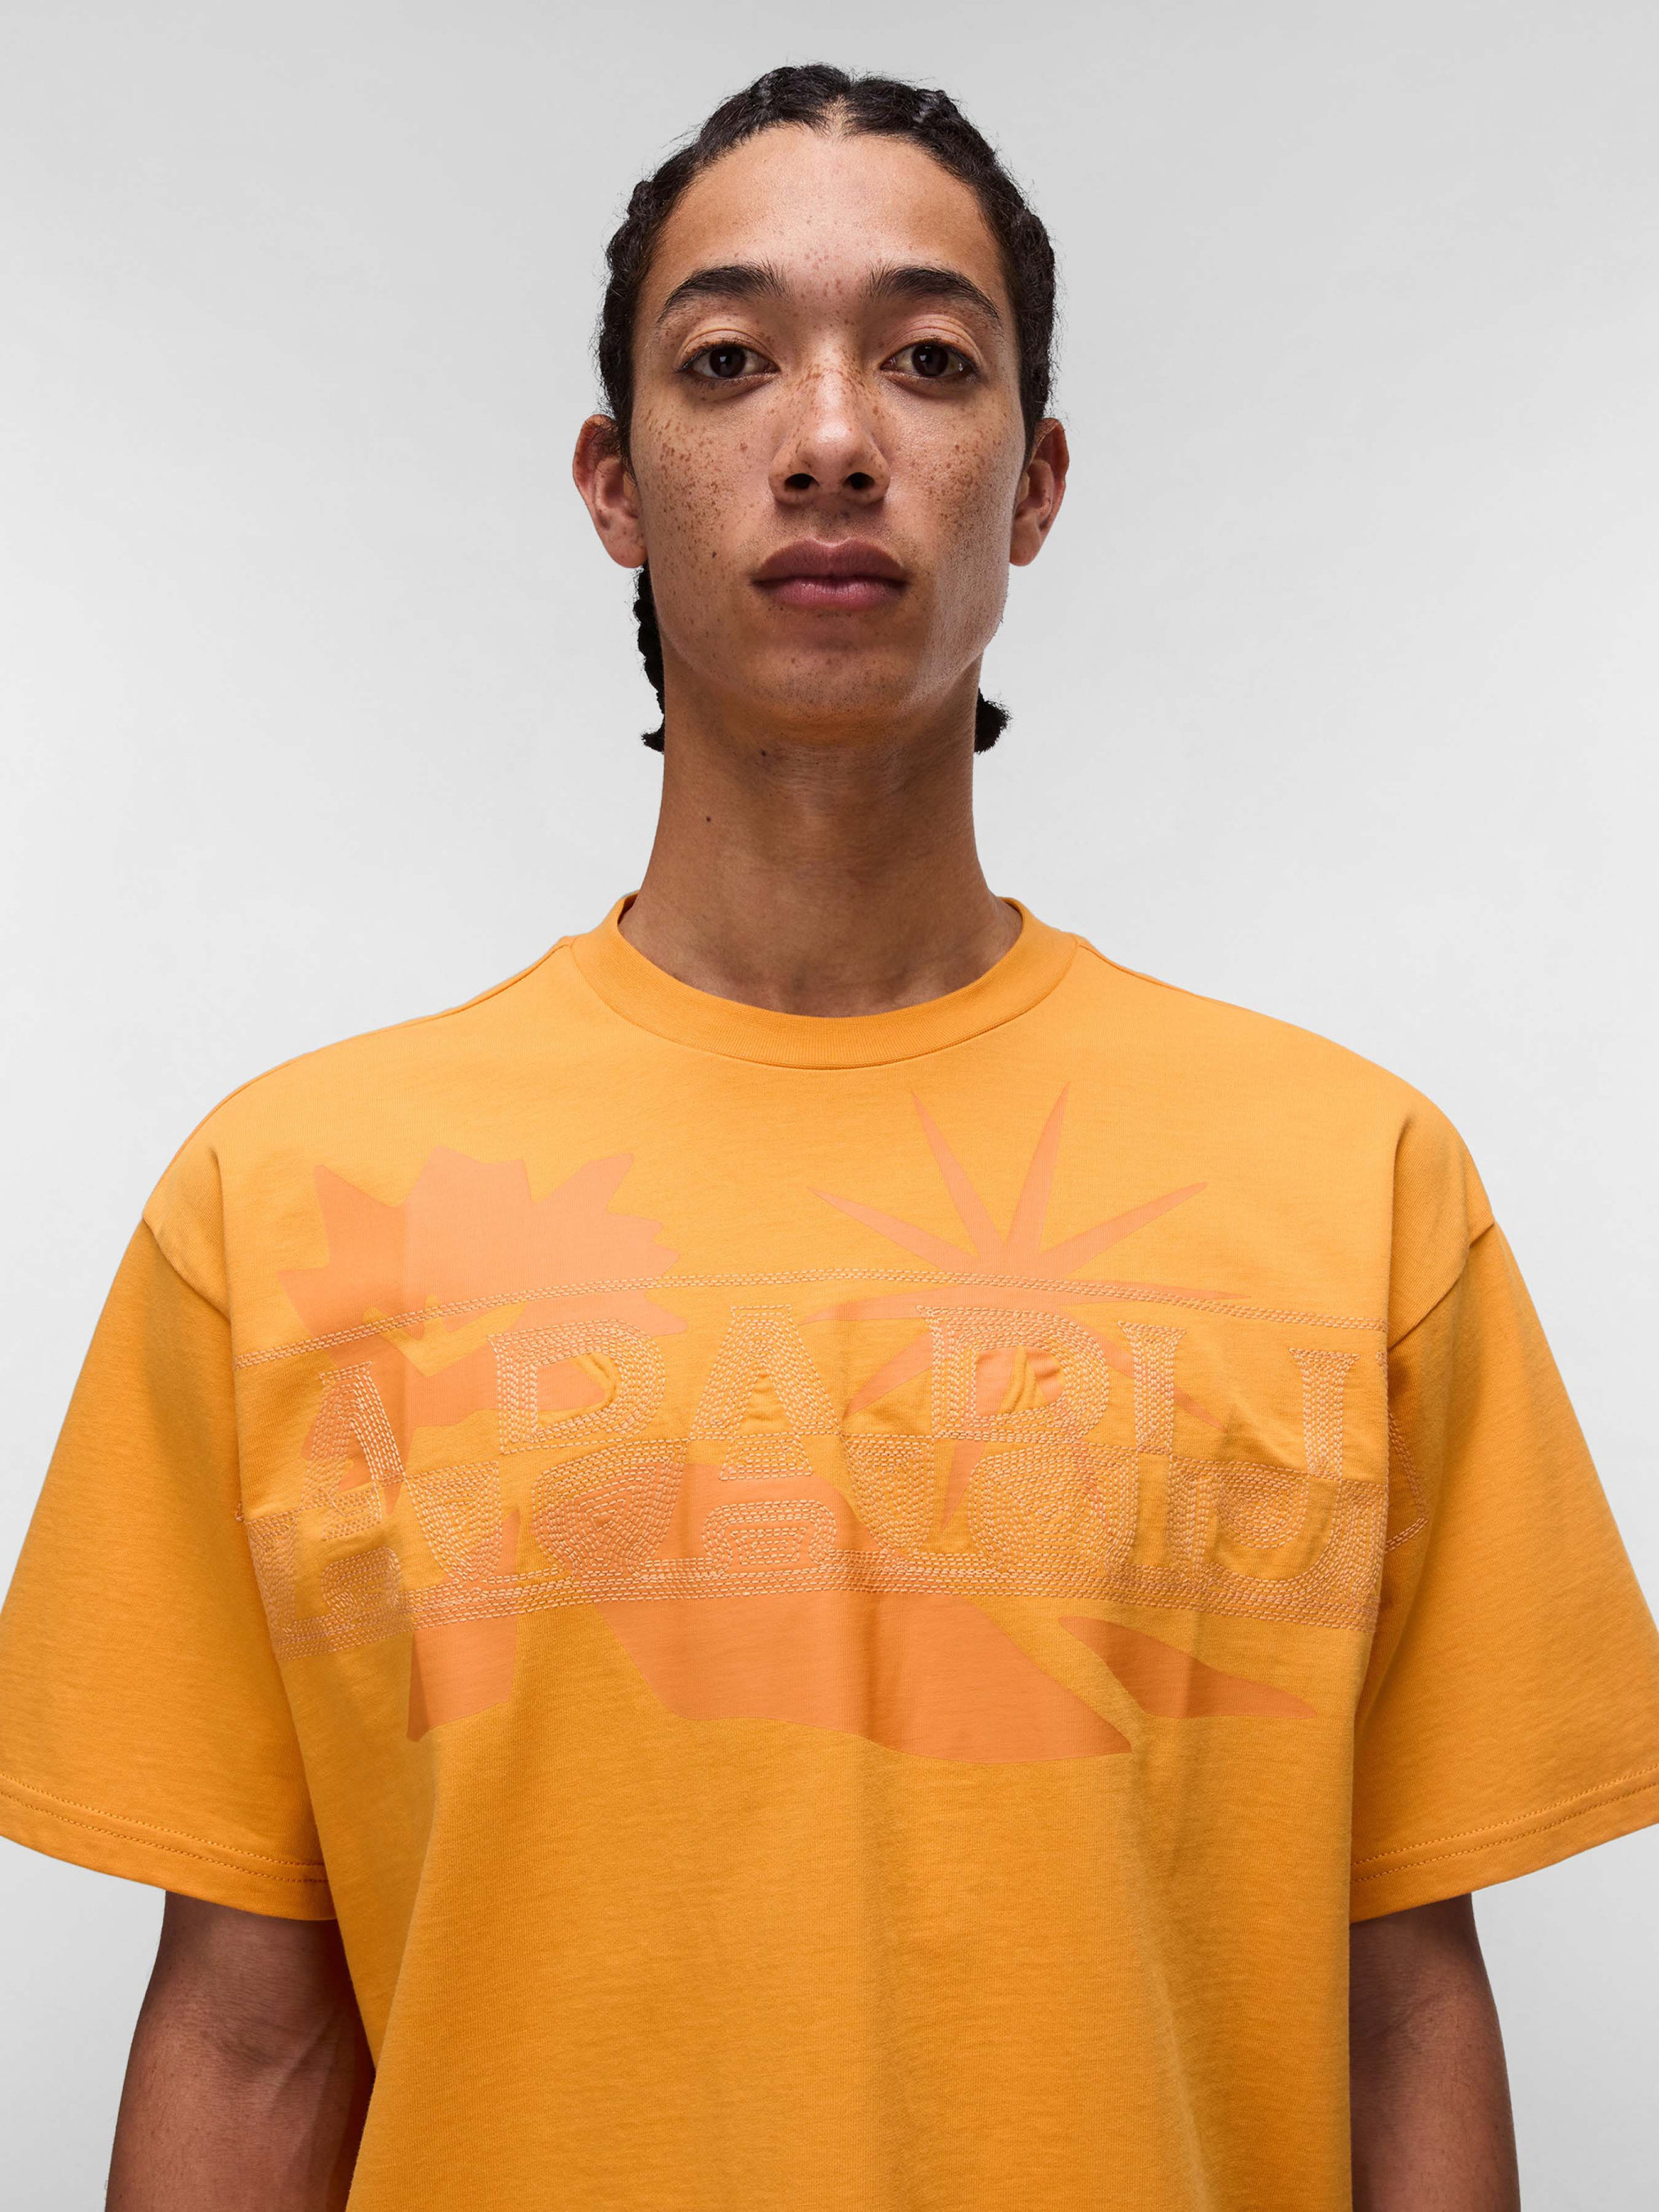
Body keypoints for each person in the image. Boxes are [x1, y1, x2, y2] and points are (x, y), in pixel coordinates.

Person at [2, 61, 1656, 2212]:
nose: (831, 438)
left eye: (930, 359)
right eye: (727, 361)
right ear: (613, 483)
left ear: (1033, 483)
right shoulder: (285, 1210)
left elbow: (1402, 2001)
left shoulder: (1357, 1194)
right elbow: (249, 2030)